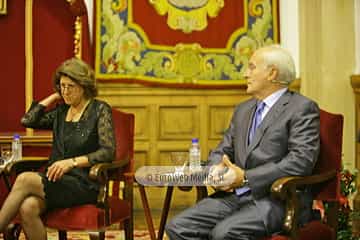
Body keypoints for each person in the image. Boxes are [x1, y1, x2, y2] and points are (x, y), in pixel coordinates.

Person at [165, 45, 320, 240]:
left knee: (224, 233)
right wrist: (215, 170)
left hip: (278, 200)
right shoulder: (243, 110)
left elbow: (300, 161)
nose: (245, 74)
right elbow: (223, 150)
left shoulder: (302, 108)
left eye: (252, 67)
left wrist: (246, 177)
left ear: (272, 73)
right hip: (235, 195)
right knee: (178, 227)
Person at [0, 58, 116, 240]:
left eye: (70, 86)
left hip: (84, 182)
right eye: (62, 86)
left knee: (24, 179)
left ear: (83, 85)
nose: (65, 91)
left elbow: (108, 151)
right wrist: (54, 97)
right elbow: (28, 120)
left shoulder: (99, 110)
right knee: (28, 208)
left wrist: (72, 162)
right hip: (56, 180)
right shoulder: (61, 112)